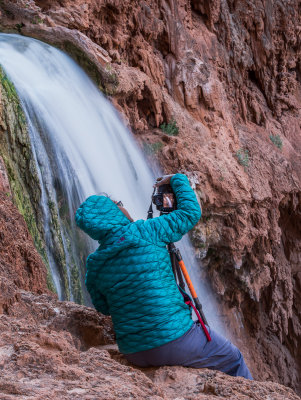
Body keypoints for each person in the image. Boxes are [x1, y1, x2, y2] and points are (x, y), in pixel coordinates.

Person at [75, 173, 253, 379]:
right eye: (119, 204)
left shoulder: (94, 263)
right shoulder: (147, 231)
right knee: (233, 359)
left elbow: (104, 307)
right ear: (114, 212)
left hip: (134, 351)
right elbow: (190, 213)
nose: (123, 207)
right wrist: (177, 179)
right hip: (174, 341)